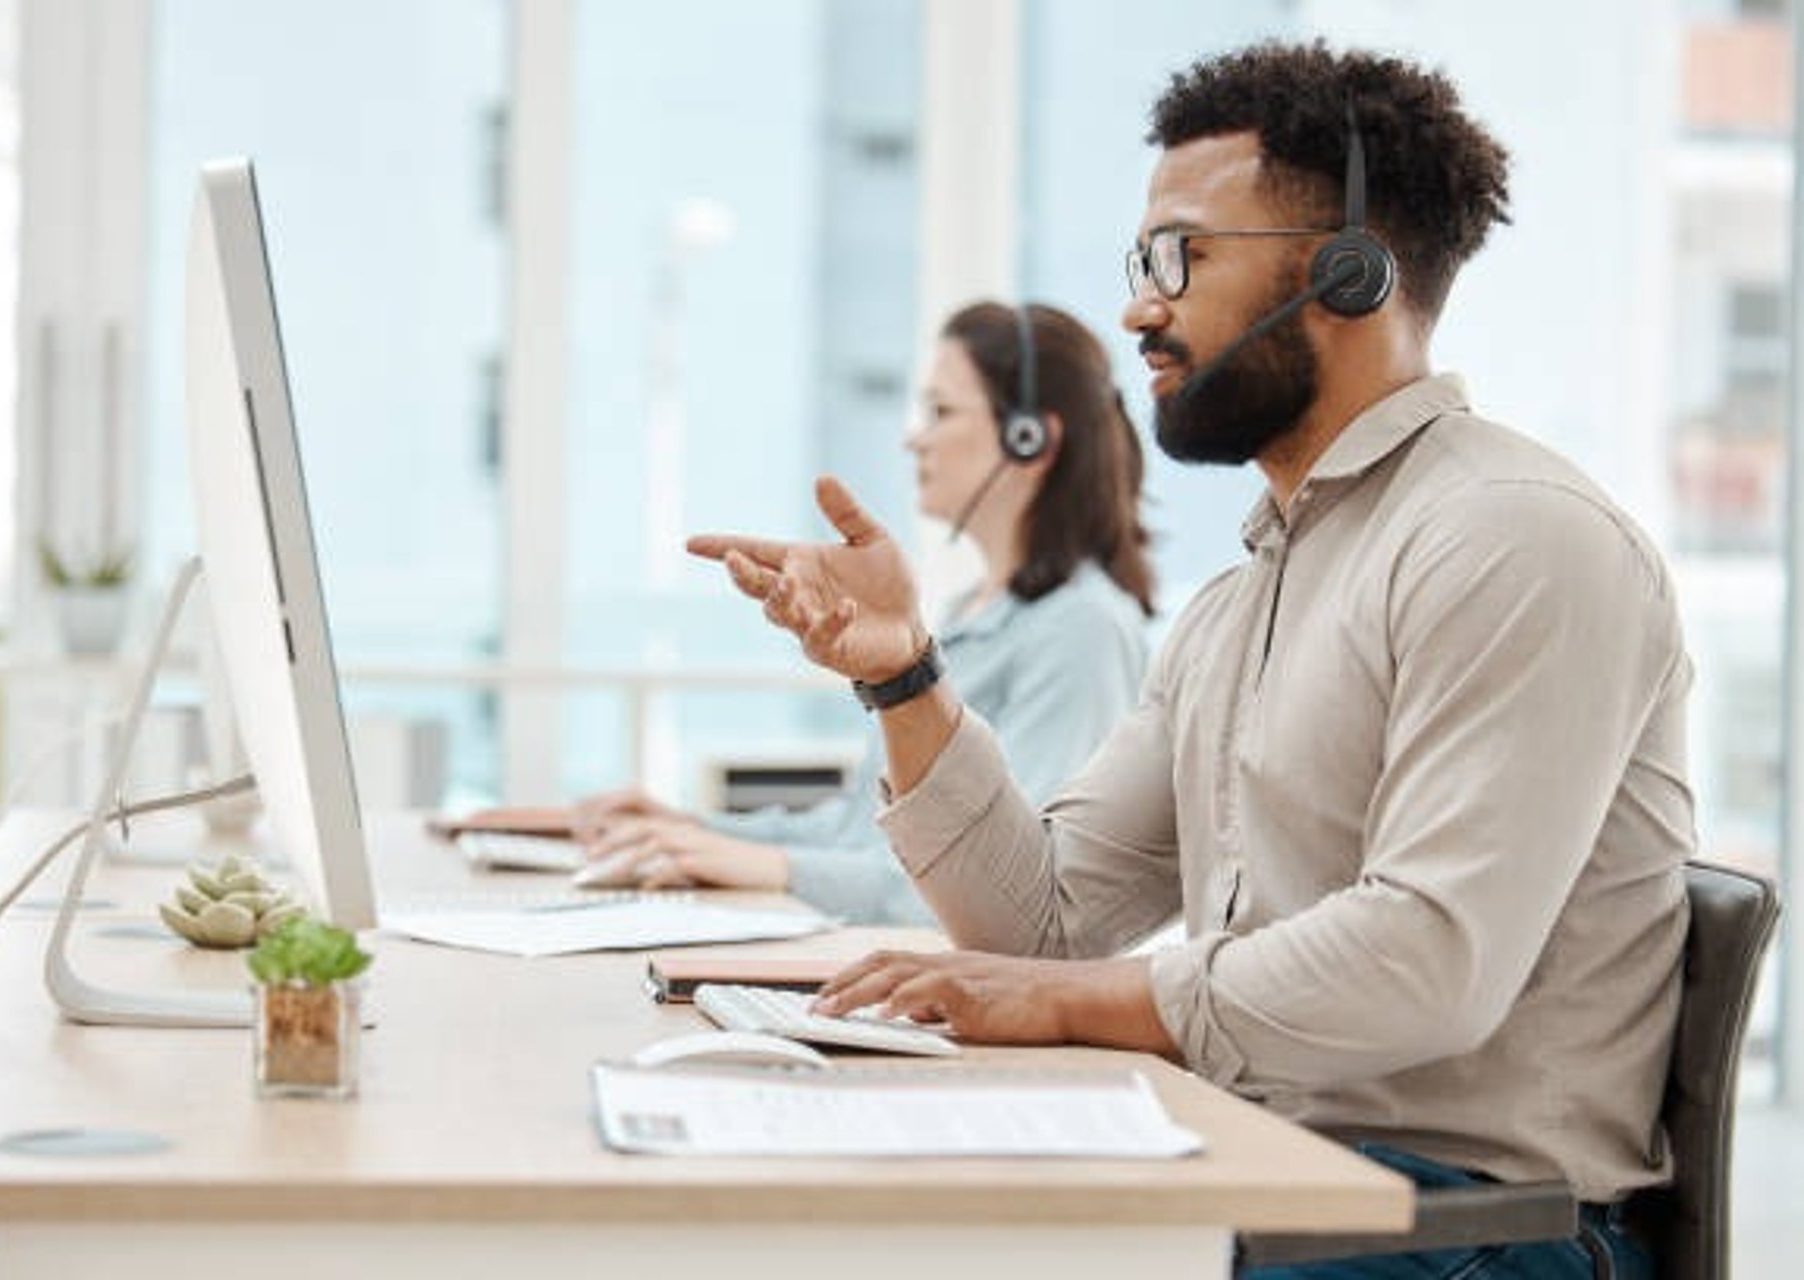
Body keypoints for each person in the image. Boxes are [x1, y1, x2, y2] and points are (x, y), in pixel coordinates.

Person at [687, 41, 1688, 1280]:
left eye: (1180, 256)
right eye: (1139, 261)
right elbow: (1047, 926)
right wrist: (903, 674)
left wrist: (1071, 1002)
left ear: (1349, 271)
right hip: (1268, 1165)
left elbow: (1428, 964)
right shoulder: (1242, 601)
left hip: (1465, 1227)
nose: (1138, 308)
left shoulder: (1516, 540)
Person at [573, 301, 1155, 924]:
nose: (913, 437)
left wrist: (771, 868)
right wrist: (690, 827)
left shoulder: (1082, 631)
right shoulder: (971, 612)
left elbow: (1008, 892)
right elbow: (856, 831)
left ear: (1029, 437)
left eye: (940, 411)